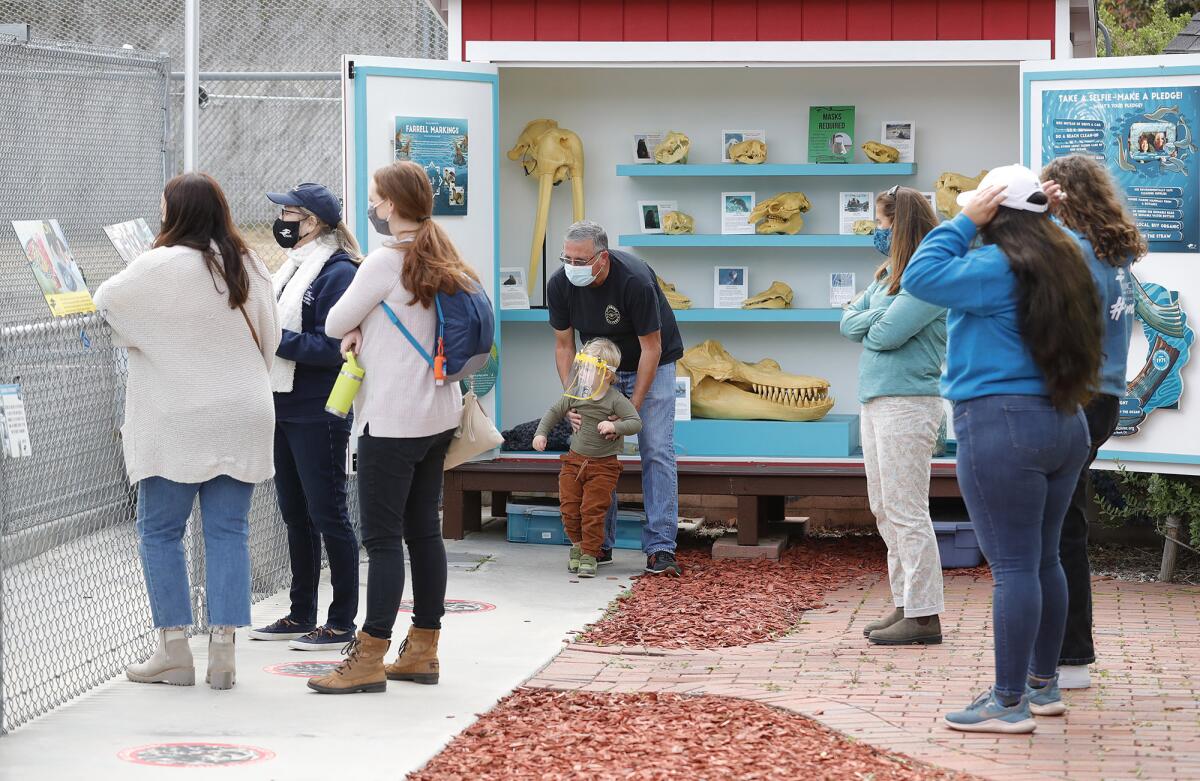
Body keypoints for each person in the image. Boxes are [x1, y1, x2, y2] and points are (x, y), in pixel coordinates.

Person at [903, 165, 1100, 734]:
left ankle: (1008, 702)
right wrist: (1045, 213)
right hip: (1065, 423)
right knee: (1043, 560)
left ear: (995, 215)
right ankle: (1043, 685)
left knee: (1014, 568)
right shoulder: (1069, 262)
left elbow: (921, 275)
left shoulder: (995, 266)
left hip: (1000, 423)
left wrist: (964, 220)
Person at [95, 173, 279, 691]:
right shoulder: (250, 264)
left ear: (174, 212)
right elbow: (271, 339)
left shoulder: (157, 265)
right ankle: (224, 653)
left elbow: (107, 301)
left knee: (160, 531)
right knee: (228, 532)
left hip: (178, 418)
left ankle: (174, 651)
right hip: (243, 411)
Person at [308, 160, 471, 694]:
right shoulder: (444, 254)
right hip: (440, 414)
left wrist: (353, 328)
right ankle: (423, 649)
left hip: (392, 419)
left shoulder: (385, 261)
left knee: (381, 541)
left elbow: (333, 321)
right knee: (424, 530)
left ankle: (369, 654)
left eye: (376, 199)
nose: (372, 208)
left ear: (393, 205)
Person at [1041, 154, 1142, 690]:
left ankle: (1069, 655)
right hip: (1104, 396)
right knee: (1068, 525)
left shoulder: (1073, 252)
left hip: (1074, 397)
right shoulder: (1113, 252)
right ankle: (1071, 652)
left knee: (1059, 530)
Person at [248, 183, 363, 651]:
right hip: (282, 404)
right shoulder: (293, 267)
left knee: (328, 513)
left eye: (290, 212)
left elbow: (334, 347)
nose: (283, 220)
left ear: (313, 221)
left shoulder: (337, 272)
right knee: (295, 514)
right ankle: (300, 613)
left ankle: (341, 621)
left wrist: (273, 337)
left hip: (318, 411)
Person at [840, 185, 947, 646]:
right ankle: (906, 601)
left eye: (882, 224)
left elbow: (883, 334)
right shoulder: (887, 275)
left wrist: (872, 317)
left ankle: (925, 616)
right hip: (878, 400)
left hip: (908, 403)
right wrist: (874, 316)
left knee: (907, 509)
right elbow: (848, 321)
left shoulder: (930, 278)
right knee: (885, 507)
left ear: (900, 225)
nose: (877, 232)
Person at [549, 220, 684, 576]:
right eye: (567, 259)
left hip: (650, 362)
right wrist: (574, 399)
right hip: (597, 365)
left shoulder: (634, 281)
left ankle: (660, 547)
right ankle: (598, 545)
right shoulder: (559, 284)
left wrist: (631, 410)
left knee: (655, 449)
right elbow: (564, 347)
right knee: (594, 451)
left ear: (602, 258)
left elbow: (651, 348)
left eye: (580, 261)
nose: (571, 267)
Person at [532, 338, 642, 578]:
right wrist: (541, 434)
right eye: (580, 367)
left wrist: (616, 427)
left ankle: (591, 555)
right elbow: (554, 411)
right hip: (574, 461)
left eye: (588, 368)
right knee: (570, 507)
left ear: (606, 374)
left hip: (603, 467)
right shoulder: (576, 393)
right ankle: (578, 546)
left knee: (593, 511)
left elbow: (635, 422)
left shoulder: (615, 400)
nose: (582, 372)